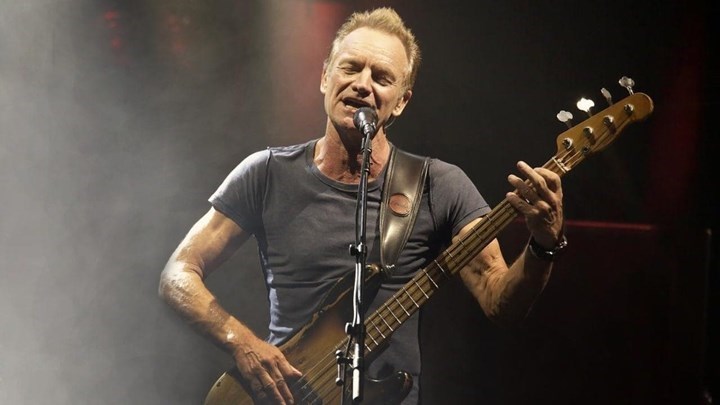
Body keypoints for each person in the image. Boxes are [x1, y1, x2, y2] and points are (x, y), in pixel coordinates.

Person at [159, 7, 565, 405]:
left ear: (401, 101)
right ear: (325, 77)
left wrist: (542, 246)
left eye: (381, 77)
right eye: (350, 68)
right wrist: (242, 343)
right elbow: (178, 273)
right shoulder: (265, 173)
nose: (362, 84)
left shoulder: (438, 185)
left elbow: (499, 299)